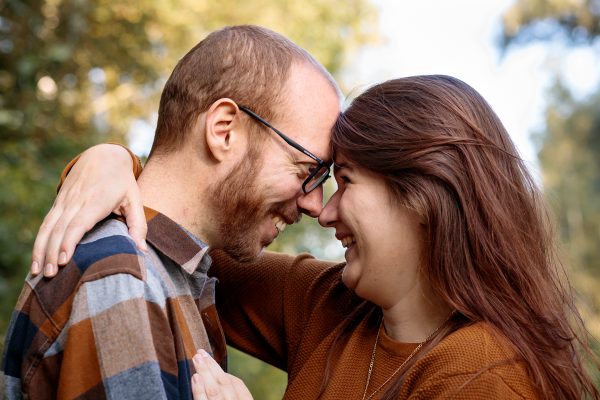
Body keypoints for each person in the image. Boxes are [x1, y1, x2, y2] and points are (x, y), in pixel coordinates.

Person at [17, 75, 600, 399]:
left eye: (342, 181)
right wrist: (111, 162)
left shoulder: (487, 378)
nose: (321, 211)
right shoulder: (328, 304)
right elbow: (188, 225)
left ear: (425, 198)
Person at [1, 25, 340, 399]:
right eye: (307, 170)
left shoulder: (174, 275)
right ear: (224, 131)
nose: (315, 204)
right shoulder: (124, 281)